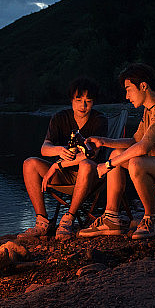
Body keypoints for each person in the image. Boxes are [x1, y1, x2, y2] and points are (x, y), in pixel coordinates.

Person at [79, 63, 155, 240]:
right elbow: (136, 141)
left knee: (135, 163)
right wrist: (104, 142)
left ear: (143, 86)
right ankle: (111, 218)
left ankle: (152, 220)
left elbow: (144, 147)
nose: (127, 96)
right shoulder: (149, 109)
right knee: (116, 154)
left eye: (129, 89)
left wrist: (108, 165)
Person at [18, 77, 108, 241]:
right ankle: (42, 221)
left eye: (88, 101)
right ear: (71, 100)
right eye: (78, 100)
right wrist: (58, 150)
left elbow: (90, 155)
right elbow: (44, 149)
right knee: (29, 163)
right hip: (65, 175)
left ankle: (68, 219)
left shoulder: (99, 120)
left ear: (94, 102)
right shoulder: (60, 118)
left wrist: (57, 165)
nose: (83, 105)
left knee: (87, 165)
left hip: (92, 176)